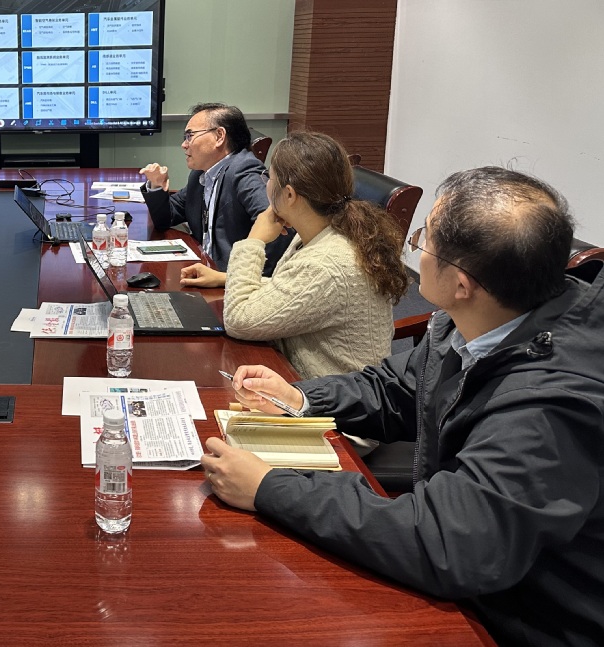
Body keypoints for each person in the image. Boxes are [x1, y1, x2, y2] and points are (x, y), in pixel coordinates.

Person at [201, 167, 604, 647]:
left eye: (425, 239)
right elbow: (400, 387)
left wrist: (270, 488)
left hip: (527, 619)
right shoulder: (483, 317)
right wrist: (300, 397)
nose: (417, 247)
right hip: (481, 573)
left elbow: (450, 542)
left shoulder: (551, 405)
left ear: (461, 283)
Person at [180, 132, 407, 378]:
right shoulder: (324, 231)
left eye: (269, 177)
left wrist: (254, 240)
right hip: (307, 382)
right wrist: (224, 277)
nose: (265, 184)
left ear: (289, 195)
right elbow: (296, 289)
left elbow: (238, 320)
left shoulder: (325, 263)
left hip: (330, 397)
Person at [140, 103, 289, 275]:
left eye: (190, 136)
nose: (184, 145)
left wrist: (236, 277)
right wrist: (156, 187)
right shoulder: (201, 175)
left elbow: (278, 226)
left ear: (219, 136)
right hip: (204, 266)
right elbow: (168, 217)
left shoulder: (244, 171)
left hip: (230, 280)